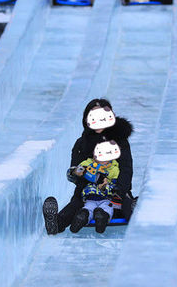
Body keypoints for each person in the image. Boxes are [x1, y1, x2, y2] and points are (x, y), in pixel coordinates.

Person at [42, 98, 134, 235]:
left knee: (124, 206)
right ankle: (56, 223)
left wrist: (116, 188)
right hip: (89, 191)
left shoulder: (119, 141)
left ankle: (107, 214)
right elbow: (75, 171)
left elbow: (126, 168)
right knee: (77, 204)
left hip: (115, 189)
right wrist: (78, 175)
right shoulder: (81, 144)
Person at [68, 140, 121, 233]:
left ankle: (101, 218)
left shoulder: (114, 169)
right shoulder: (87, 164)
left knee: (107, 208)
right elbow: (75, 173)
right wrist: (75, 172)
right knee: (88, 208)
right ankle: (81, 218)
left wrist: (105, 186)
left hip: (106, 198)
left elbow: (115, 186)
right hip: (90, 196)